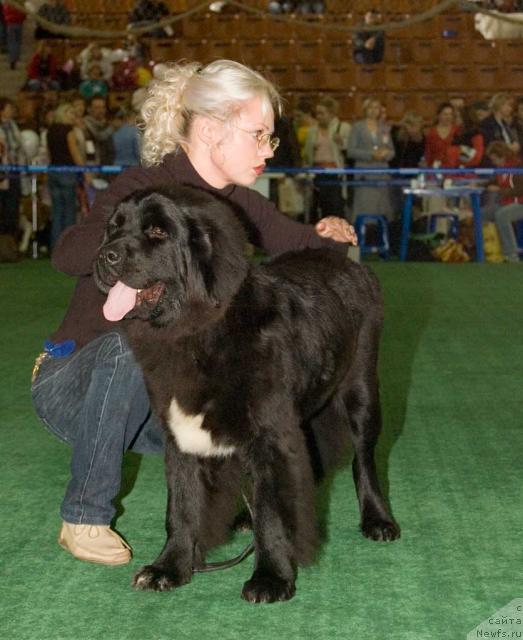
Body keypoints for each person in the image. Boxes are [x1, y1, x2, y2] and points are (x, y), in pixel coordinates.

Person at [30, 59, 357, 566]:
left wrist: (329, 235)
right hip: (73, 384)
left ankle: (233, 503)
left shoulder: (237, 203)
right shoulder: (142, 188)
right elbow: (67, 256)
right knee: (136, 335)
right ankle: (83, 515)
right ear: (209, 130)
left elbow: (301, 245)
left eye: (270, 138)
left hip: (150, 405)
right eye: (259, 135)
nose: (269, 150)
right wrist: (129, 233)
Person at [302, 95, 351, 222]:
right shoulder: (312, 131)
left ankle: (337, 239)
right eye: (317, 113)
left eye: (322, 113)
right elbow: (307, 155)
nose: (318, 116)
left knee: (334, 208)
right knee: (317, 208)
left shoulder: (343, 128)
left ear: (331, 113)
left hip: (334, 174)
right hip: (316, 173)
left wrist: (342, 143)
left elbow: (350, 151)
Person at [46, 102, 87, 250]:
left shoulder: (50, 131)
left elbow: (49, 154)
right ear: (62, 114)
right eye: (70, 113)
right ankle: (68, 248)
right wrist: (85, 171)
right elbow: (74, 153)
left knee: (57, 212)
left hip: (53, 171)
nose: (74, 116)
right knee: (69, 211)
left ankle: (54, 247)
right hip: (68, 173)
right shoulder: (69, 131)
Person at [346, 96, 395, 220]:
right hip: (364, 174)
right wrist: (371, 155)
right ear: (365, 109)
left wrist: (385, 154)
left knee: (381, 209)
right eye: (370, 107)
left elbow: (392, 151)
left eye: (376, 108)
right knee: (364, 208)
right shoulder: (357, 127)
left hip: (381, 174)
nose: (373, 110)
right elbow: (351, 151)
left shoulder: (385, 128)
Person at [483, 141, 523, 262]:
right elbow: (491, 182)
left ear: (503, 156)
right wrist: (478, 184)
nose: (493, 162)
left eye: (495, 159)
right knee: (481, 214)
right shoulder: (500, 168)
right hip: (506, 203)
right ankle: (488, 251)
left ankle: (511, 254)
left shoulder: (518, 167)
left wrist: (500, 190)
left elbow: (521, 189)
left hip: (520, 203)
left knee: (501, 215)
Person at [0, 97, 25, 244]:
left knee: (12, 208)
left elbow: (19, 147)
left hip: (14, 172)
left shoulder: (14, 126)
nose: (12, 111)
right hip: (2, 172)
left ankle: (9, 243)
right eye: (9, 108)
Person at [424, 102, 458, 168]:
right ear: (438, 115)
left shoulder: (458, 131)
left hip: (453, 169)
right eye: (445, 114)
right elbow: (428, 153)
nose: (448, 117)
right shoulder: (431, 132)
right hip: (435, 169)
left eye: (450, 114)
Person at [2, 1, 26, 70]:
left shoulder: (8, 3)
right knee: (18, 42)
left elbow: (4, 13)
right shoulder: (21, 3)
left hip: (10, 24)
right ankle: (16, 57)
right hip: (18, 24)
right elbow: (24, 14)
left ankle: (12, 59)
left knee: (12, 42)